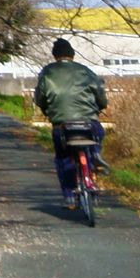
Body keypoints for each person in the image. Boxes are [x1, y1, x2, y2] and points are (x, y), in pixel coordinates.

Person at [31, 37, 107, 206]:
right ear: (72, 55)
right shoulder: (85, 71)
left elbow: (40, 98)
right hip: (88, 121)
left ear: (54, 55)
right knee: (98, 133)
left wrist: (47, 111)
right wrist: (101, 106)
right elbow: (100, 93)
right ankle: (95, 154)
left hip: (62, 124)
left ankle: (69, 195)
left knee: (63, 157)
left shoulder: (47, 73)